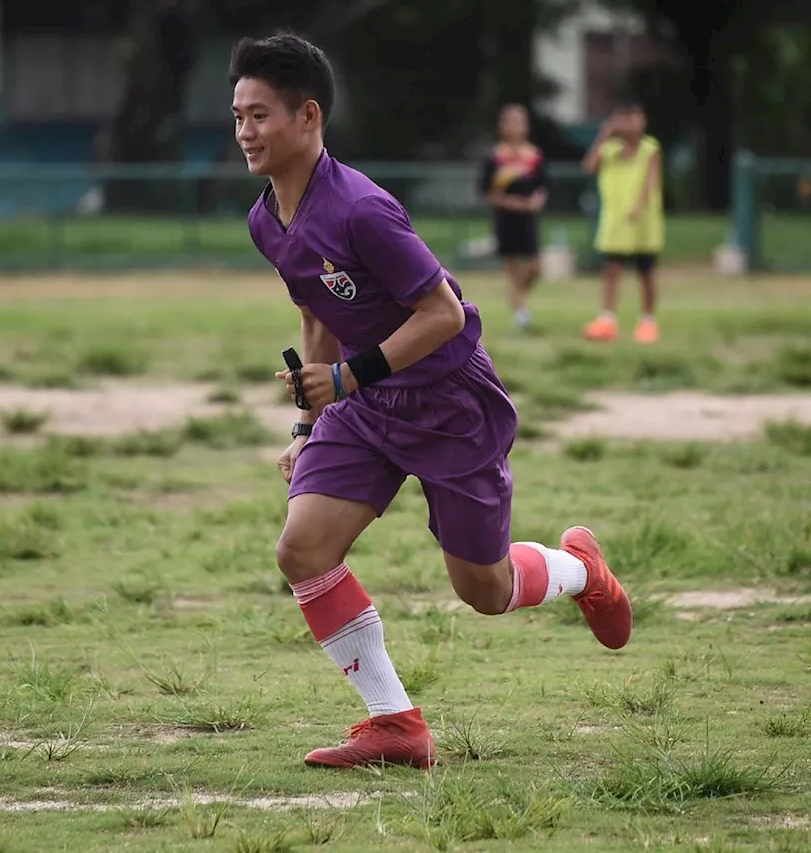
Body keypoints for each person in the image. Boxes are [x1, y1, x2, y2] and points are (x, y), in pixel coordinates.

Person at [231, 32, 633, 770]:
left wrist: (347, 378)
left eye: (260, 115)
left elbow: (444, 313)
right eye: (238, 116)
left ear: (307, 116)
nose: (245, 132)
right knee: (302, 547)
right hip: (367, 404)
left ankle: (581, 569)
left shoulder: (362, 209)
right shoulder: (266, 219)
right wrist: (307, 420)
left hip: (449, 401)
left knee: (483, 588)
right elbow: (319, 315)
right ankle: (396, 724)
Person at [581, 101, 664, 343]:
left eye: (633, 118)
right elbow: (589, 166)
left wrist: (639, 206)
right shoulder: (609, 149)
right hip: (616, 222)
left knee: (646, 272)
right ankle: (607, 319)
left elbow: (651, 181)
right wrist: (603, 136)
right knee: (612, 270)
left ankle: (648, 321)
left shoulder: (650, 149)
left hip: (643, 223)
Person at [480, 104, 549, 330]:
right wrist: (513, 204)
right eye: (510, 121)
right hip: (505, 219)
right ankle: (521, 313)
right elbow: (488, 193)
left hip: (528, 220)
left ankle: (518, 296)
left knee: (534, 268)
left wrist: (537, 201)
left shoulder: (535, 157)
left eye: (519, 121)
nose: (515, 126)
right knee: (511, 267)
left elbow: (542, 186)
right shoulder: (494, 158)